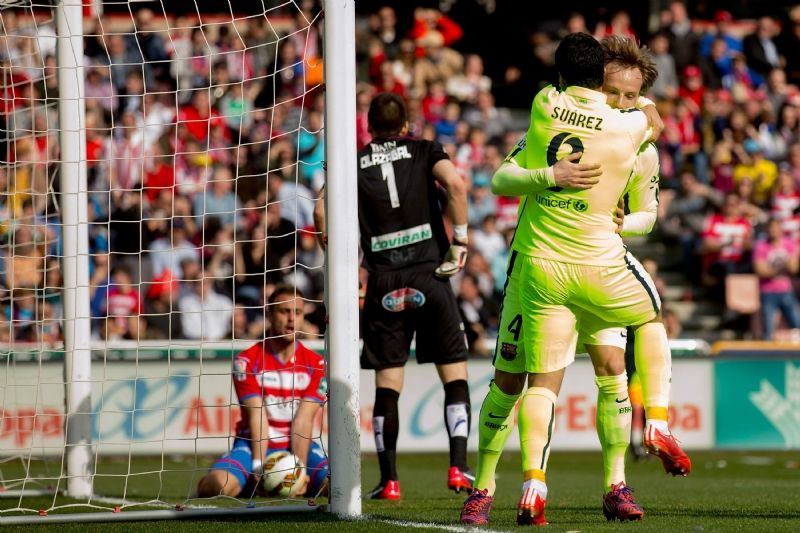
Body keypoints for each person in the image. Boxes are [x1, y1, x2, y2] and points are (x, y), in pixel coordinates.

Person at [459, 33, 675, 526]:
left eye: (631, 95)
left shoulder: (636, 147)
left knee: (612, 369)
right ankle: (484, 487)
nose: (622, 101)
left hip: (596, 262)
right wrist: (550, 175)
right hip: (536, 266)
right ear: (598, 85)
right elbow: (502, 179)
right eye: (614, 91)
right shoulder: (561, 125)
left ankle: (616, 485)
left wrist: (624, 223)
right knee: (512, 382)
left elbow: (647, 215)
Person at [314, 92, 473, 500]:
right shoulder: (424, 149)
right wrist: (460, 242)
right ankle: (458, 467)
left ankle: (389, 481)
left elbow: (320, 212)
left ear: (369, 128)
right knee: (454, 374)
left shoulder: (353, 162)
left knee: (388, 383)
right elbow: (456, 184)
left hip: (384, 280)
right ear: (406, 126)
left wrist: (341, 261)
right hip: (430, 274)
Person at [197, 284, 328, 499]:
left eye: (297, 312)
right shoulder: (246, 362)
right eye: (284, 311)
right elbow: (257, 415)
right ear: (270, 314)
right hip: (252, 446)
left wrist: (300, 471)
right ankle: (246, 480)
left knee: (337, 486)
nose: (291, 319)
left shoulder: (317, 364)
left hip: (298, 446)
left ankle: (271, 483)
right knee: (216, 486)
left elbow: (304, 420)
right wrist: (259, 467)